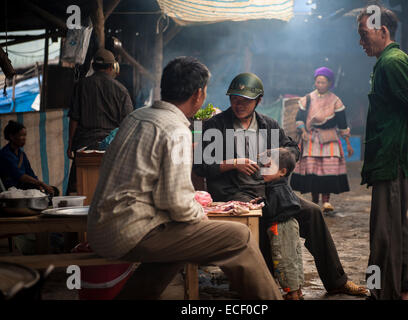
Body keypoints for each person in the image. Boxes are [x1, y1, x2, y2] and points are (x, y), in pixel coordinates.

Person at [87, 57, 282, 300]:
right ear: (199, 94)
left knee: (183, 243)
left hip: (100, 229)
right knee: (239, 236)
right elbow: (177, 204)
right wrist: (203, 215)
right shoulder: (176, 129)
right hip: (131, 232)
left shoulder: (137, 117)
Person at [193, 72, 367, 296]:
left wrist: (279, 156)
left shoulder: (268, 124)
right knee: (267, 215)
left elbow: (292, 149)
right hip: (235, 193)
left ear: (258, 101)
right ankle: (269, 282)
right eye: (235, 99)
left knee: (313, 213)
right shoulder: (216, 125)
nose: (239, 104)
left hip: (269, 189)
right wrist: (233, 163)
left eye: (246, 100)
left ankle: (336, 281)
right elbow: (200, 166)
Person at [357, 6, 408, 300]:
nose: (361, 42)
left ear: (383, 31)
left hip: (392, 158)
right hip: (387, 157)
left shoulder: (393, 62)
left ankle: (380, 293)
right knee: (393, 228)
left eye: (364, 35)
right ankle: (402, 290)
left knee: (383, 233)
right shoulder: (384, 62)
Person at [67, 48, 133, 192]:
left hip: (84, 147)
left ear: (94, 66)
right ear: (111, 67)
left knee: (79, 189)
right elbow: (128, 124)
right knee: (111, 190)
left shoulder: (81, 85)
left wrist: (70, 145)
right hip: (112, 149)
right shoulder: (121, 90)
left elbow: (74, 118)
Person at [290, 67, 353, 213]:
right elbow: (299, 118)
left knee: (328, 171)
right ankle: (315, 202)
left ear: (329, 83)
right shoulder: (307, 99)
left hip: (329, 139)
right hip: (311, 138)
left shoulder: (336, 101)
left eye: (323, 82)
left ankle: (326, 202)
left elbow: (342, 124)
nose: (320, 85)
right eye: (318, 82)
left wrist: (348, 144)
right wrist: (303, 130)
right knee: (313, 171)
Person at [259, 148, 305, 300]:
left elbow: (271, 210)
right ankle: (297, 291)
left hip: (282, 227)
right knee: (293, 258)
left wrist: (260, 206)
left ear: (282, 171)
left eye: (267, 166)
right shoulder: (279, 185)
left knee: (284, 260)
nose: (262, 170)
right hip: (288, 225)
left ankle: (292, 294)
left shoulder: (277, 188)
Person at [0, 120, 57, 195]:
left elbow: (30, 173)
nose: (24, 138)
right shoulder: (5, 154)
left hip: (25, 186)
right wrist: (42, 184)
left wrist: (39, 185)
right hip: (13, 188)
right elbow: (21, 176)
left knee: (53, 190)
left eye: (25, 135)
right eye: (21, 135)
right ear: (12, 137)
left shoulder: (21, 154)